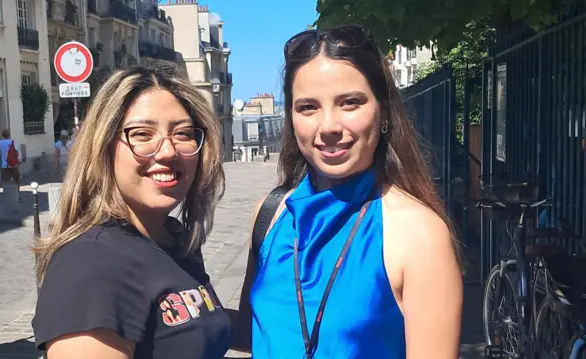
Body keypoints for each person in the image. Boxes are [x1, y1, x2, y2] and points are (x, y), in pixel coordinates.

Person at [232, 25, 464, 358]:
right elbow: (254, 333)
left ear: (383, 110)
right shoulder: (270, 214)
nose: (329, 127)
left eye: (350, 103)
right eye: (308, 107)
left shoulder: (419, 235)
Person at [32, 65, 229, 359]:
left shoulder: (173, 238)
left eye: (184, 133)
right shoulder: (89, 265)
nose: (167, 151)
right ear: (103, 147)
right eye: (141, 134)